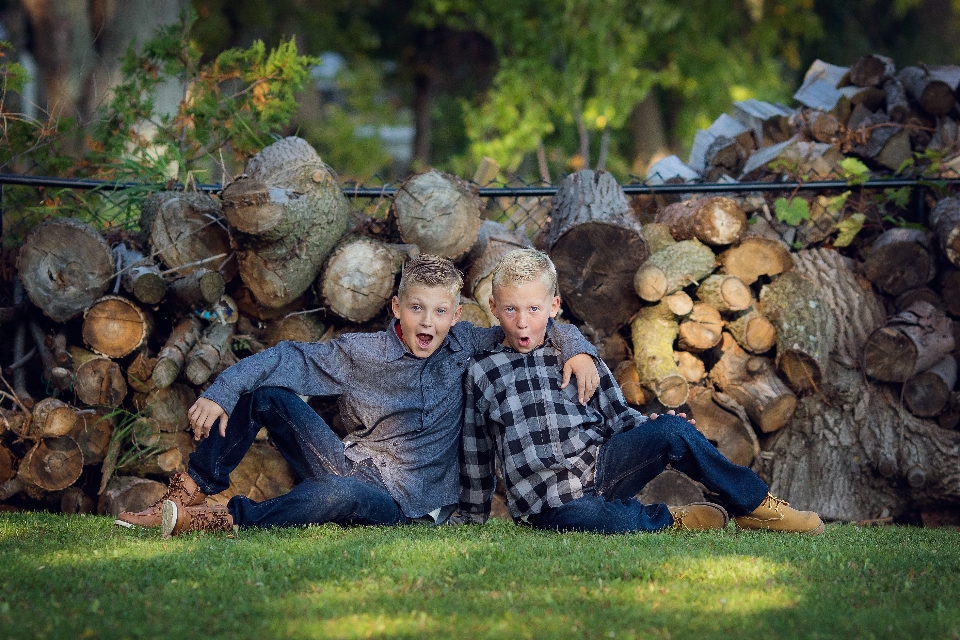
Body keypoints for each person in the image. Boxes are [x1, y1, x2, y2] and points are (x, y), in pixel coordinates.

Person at [114, 254, 601, 537]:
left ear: (457, 315)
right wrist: (222, 391)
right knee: (266, 394)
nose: (427, 323)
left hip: (404, 505)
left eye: (439, 312)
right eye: (416, 308)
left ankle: (221, 520)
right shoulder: (359, 353)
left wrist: (577, 351)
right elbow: (285, 357)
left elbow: (533, 326)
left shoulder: (466, 344)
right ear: (396, 307)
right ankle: (186, 493)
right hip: (351, 463)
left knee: (339, 494)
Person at [456, 248, 824, 535]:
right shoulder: (483, 370)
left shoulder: (575, 354)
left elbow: (617, 413)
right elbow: (477, 451)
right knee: (589, 519)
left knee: (673, 429)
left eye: (534, 308)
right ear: (492, 307)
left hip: (600, 466)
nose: (522, 321)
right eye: (510, 309)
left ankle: (757, 506)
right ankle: (668, 520)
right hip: (547, 500)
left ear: (554, 306)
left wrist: (652, 431)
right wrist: (471, 516)